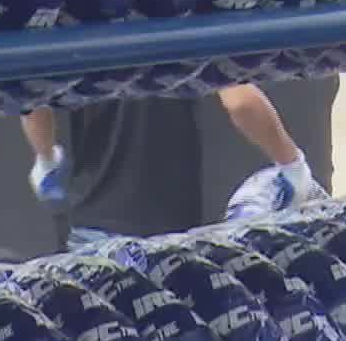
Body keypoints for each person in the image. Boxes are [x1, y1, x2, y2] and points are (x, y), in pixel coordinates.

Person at [20, 83, 317, 249]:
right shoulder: (179, 7)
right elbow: (240, 101)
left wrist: (46, 158)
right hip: (168, 238)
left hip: (89, 232)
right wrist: (292, 164)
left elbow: (34, 99)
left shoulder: (81, 11)